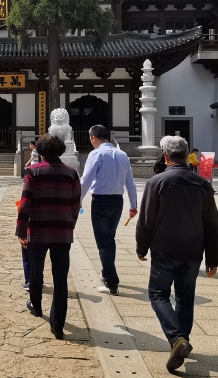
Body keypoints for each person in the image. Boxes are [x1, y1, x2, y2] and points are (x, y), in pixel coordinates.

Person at [134, 135, 218, 372]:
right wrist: (213, 259)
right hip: (193, 250)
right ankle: (182, 339)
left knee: (158, 294)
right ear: (186, 155)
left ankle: (176, 339)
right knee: (185, 297)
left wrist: (142, 246)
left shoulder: (157, 182)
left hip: (164, 249)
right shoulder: (202, 184)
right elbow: (212, 223)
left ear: (165, 155)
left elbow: (146, 220)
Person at [17, 134, 81, 340]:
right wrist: (70, 224)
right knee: (60, 278)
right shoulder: (71, 174)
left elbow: (25, 203)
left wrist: (21, 231)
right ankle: (58, 324)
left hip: (38, 229)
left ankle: (36, 305)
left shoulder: (33, 172)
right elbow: (75, 204)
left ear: (41, 152)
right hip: (62, 230)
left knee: (36, 269)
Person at [78, 124, 138, 295]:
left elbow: (86, 180)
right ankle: (106, 273)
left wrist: (78, 200)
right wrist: (133, 206)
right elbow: (130, 183)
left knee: (103, 242)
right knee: (109, 238)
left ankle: (112, 283)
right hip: (117, 201)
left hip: (101, 200)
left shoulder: (96, 154)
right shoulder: (122, 154)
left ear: (93, 138)